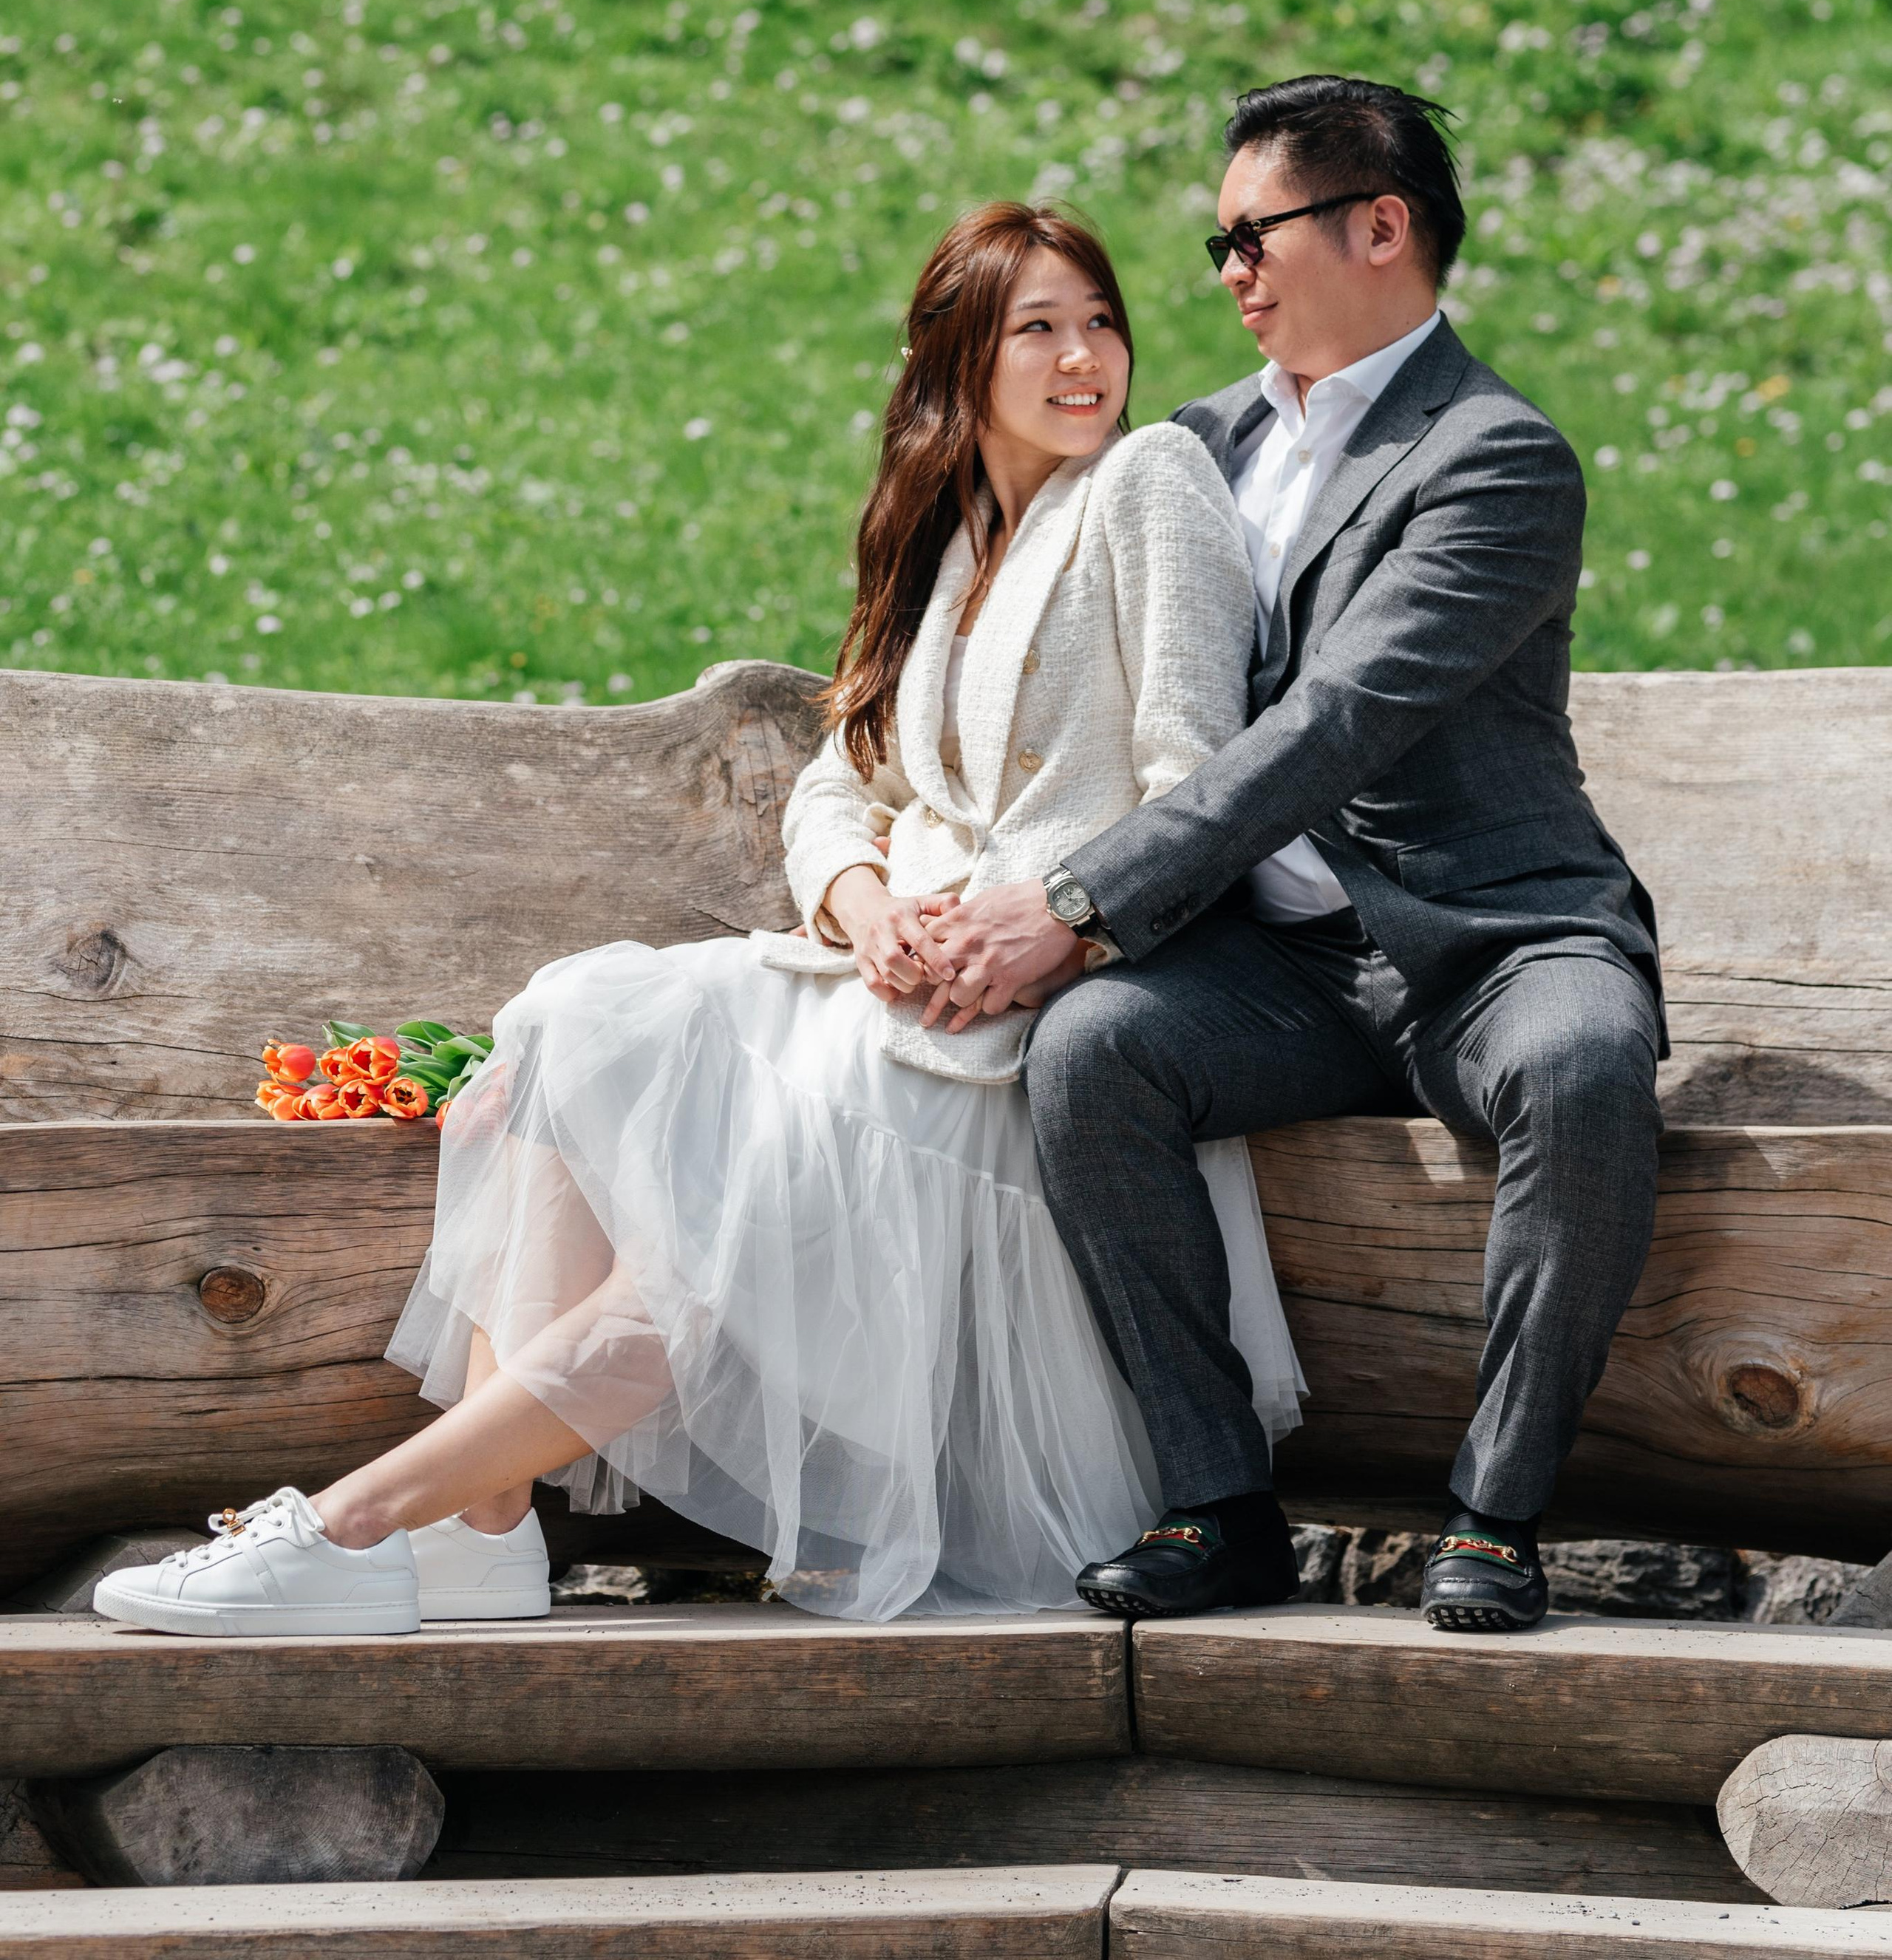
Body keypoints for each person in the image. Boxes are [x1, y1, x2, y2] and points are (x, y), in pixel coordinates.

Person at [92, 202, 1303, 1639]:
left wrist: (1047, 920)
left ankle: (356, 1522)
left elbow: (1195, 783)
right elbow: (836, 793)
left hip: (1022, 1013)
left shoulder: (1147, 483)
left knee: (717, 1222)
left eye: (1096, 318)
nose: (1081, 353)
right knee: (565, 1026)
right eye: (1033, 326)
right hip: (888, 982)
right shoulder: (954, 543)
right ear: (955, 362)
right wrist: (865, 907)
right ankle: (482, 1534)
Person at [923, 74, 1665, 1633]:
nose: (1226, 276)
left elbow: (1334, 724)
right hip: (1282, 972)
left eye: (1248, 236)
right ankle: (1218, 1507)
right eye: (1217, 245)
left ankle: (1493, 1517)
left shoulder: (1494, 458)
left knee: (1585, 1066)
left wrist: (1079, 903)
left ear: (1378, 227)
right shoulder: (1188, 448)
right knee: (1094, 1055)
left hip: (1489, 941)